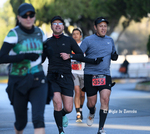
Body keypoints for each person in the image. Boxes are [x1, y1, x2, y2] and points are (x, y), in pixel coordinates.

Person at [43, 16, 103, 134]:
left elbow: (80, 55)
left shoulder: (69, 40)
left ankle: (63, 114)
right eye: (55, 23)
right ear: (52, 26)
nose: (57, 25)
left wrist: (70, 56)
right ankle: (61, 131)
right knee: (58, 104)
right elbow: (40, 59)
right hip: (52, 77)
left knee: (69, 108)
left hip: (66, 76)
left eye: (60, 23)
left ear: (63, 26)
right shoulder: (47, 42)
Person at [0, 3, 48, 134]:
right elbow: (1, 57)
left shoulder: (40, 33)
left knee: (38, 118)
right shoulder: (14, 34)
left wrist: (48, 53)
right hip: (19, 81)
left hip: (38, 79)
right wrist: (24, 56)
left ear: (34, 16)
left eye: (31, 15)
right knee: (21, 122)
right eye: (24, 16)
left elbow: (45, 51)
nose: (28, 18)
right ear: (18, 17)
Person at [80, 17, 118, 134]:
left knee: (105, 100)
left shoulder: (110, 40)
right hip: (90, 75)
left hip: (105, 75)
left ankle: (101, 128)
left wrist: (115, 56)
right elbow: (78, 55)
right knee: (91, 103)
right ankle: (91, 111)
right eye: (100, 26)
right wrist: (93, 60)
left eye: (105, 26)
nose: (103, 28)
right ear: (95, 27)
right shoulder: (88, 40)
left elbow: (113, 53)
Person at [72, 28, 85, 122]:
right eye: (74, 34)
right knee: (77, 91)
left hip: (84, 72)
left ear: (81, 36)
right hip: (74, 72)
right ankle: (78, 113)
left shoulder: (84, 45)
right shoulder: (70, 46)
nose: (75, 35)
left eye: (77, 34)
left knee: (82, 94)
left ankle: (80, 108)